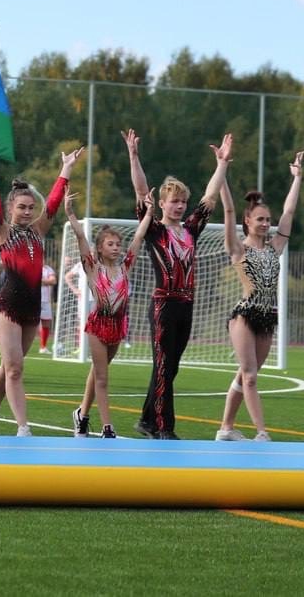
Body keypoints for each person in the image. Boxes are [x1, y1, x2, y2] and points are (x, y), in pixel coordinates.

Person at [125, 128, 233, 439]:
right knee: (162, 366)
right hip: (163, 304)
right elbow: (141, 190)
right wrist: (133, 156)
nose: (180, 206)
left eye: (183, 202)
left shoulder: (190, 230)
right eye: (174, 201)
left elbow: (210, 197)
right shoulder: (154, 230)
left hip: (186, 305)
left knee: (170, 368)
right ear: (161, 203)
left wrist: (222, 163)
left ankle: (147, 420)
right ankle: (162, 427)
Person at [0, 139, 82, 437]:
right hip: (6, 307)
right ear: (10, 208)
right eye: (21, 207)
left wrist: (66, 168)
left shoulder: (38, 231)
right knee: (15, 369)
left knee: (11, 367)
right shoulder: (1, 230)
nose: (26, 211)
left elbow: (54, 203)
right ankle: (24, 427)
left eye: (30, 208)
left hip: (31, 310)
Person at [216, 151, 304, 442]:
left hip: (268, 317)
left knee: (245, 376)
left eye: (268, 219)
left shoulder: (275, 248)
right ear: (248, 220)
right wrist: (223, 169)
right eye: (261, 219)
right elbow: (228, 212)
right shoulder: (239, 249)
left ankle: (226, 429)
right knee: (250, 375)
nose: (267, 223)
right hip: (245, 314)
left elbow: (289, 213)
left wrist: (297, 179)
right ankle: (262, 432)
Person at [65, 190, 153, 439]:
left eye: (117, 244)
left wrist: (148, 213)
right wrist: (71, 213)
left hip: (117, 326)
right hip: (97, 326)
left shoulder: (126, 267)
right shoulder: (93, 268)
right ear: (100, 249)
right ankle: (107, 427)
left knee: (97, 373)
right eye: (110, 244)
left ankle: (81, 415)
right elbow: (81, 237)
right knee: (102, 378)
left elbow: (138, 236)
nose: (116, 248)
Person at [38, 262, 57, 354]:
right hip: (32, 299)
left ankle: (43, 347)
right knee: (29, 324)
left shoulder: (48, 269)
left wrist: (39, 281)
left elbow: (53, 281)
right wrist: (46, 281)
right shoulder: (32, 266)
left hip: (45, 300)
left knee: (46, 323)